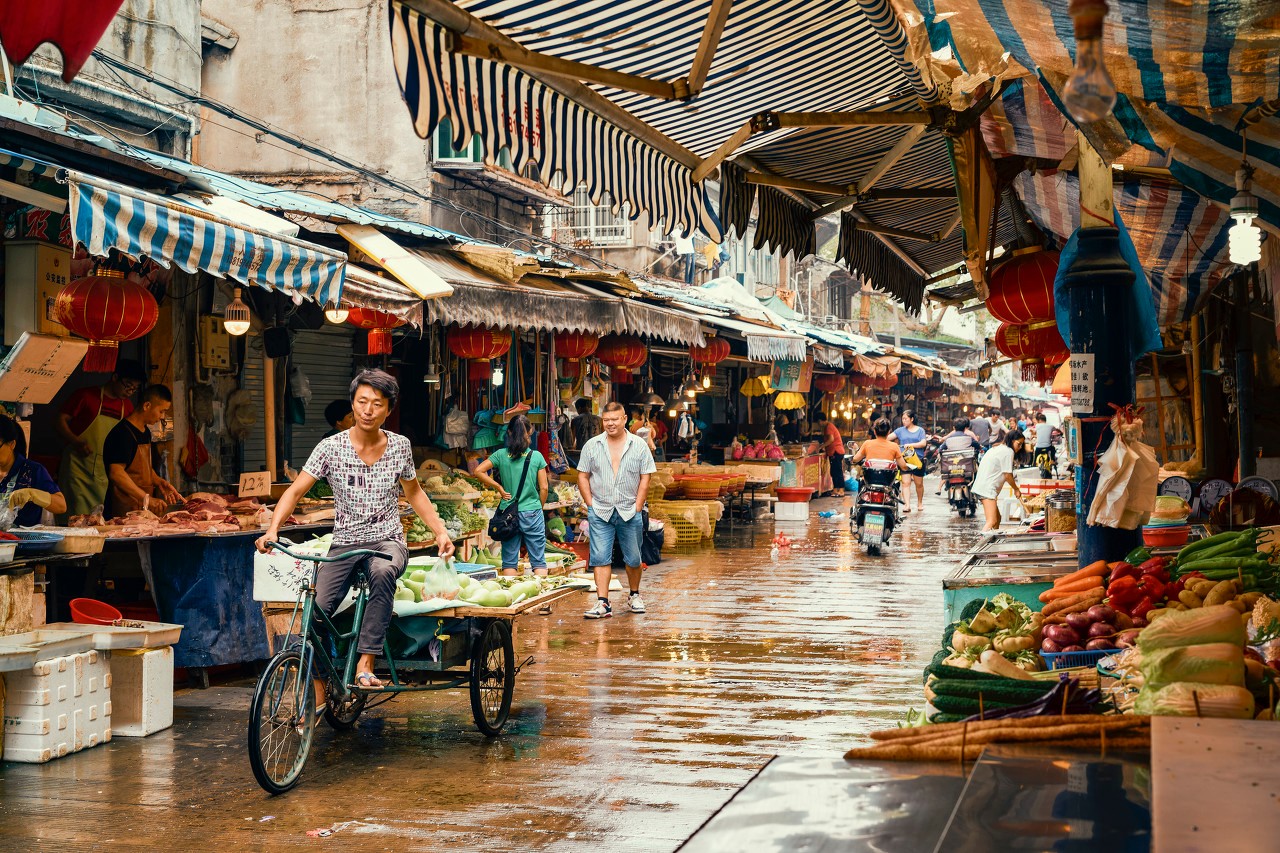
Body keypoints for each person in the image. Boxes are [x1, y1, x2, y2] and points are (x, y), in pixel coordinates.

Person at [257, 369, 453, 692]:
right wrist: (272, 530)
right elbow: (294, 492)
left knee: (382, 571)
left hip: (388, 540)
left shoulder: (400, 447)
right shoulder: (330, 449)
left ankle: (366, 663)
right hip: (345, 543)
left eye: (377, 404)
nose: (367, 409)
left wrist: (440, 531)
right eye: (362, 401)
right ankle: (319, 689)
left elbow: (415, 493)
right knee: (314, 613)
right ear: (353, 404)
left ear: (388, 410)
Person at [577, 401, 656, 619]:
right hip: (600, 510)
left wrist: (638, 505)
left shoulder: (638, 445)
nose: (610, 424)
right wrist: (590, 503)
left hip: (629, 510)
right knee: (600, 557)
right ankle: (603, 603)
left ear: (623, 420)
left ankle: (634, 595)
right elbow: (582, 475)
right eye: (606, 420)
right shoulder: (592, 445)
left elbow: (645, 477)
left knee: (633, 558)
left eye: (615, 419)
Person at [56, 360, 146, 516]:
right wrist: (75, 441)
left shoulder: (128, 407)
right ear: (115, 377)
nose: (130, 391)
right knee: (76, 520)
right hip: (79, 470)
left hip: (105, 474)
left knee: (100, 521)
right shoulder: (86, 396)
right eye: (128, 385)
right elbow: (60, 420)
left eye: (134, 388)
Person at [472, 413, 549, 577]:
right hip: (532, 511)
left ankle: (511, 598)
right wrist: (538, 507)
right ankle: (541, 599)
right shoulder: (536, 457)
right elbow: (544, 488)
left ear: (509, 433)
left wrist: (498, 487)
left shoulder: (500, 454)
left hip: (508, 513)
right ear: (530, 431)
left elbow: (478, 471)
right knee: (538, 561)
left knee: (509, 561)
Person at [102, 385, 182, 519]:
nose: (162, 417)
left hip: (141, 509)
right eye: (161, 411)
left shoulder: (146, 433)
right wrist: (147, 498)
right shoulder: (122, 434)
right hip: (122, 511)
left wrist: (158, 481)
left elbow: (143, 467)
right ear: (147, 406)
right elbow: (116, 473)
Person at [0, 415, 67, 524]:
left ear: (12, 444)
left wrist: (32, 494)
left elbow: (61, 506)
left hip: (23, 539)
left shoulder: (32, 470)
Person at [973, 429, 1026, 532]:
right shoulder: (1008, 451)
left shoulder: (999, 449)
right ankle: (981, 544)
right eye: (1018, 444)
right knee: (992, 521)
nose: (1019, 448)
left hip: (983, 487)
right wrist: (1016, 489)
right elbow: (1007, 475)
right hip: (987, 489)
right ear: (1012, 440)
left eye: (1021, 445)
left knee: (997, 519)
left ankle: (991, 543)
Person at [892, 410, 929, 513]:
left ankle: (920, 503)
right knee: (905, 483)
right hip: (904, 460)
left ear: (912, 419)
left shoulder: (920, 430)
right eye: (902, 419)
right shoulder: (900, 430)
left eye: (906, 419)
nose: (904, 421)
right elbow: (888, 437)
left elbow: (923, 443)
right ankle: (907, 505)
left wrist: (911, 445)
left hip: (917, 460)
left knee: (919, 484)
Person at [817, 411, 847, 498]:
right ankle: (835, 489)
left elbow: (831, 439)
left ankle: (841, 489)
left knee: (837, 471)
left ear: (821, 420)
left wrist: (822, 446)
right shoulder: (828, 426)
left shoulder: (829, 427)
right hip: (834, 452)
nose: (819, 424)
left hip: (836, 452)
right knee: (834, 472)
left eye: (818, 422)